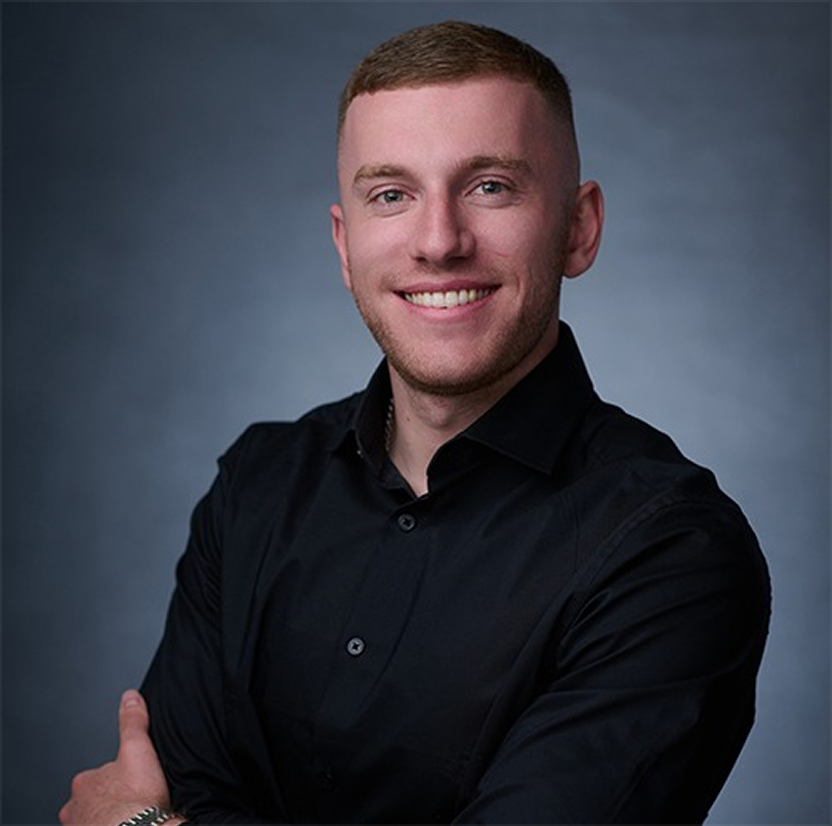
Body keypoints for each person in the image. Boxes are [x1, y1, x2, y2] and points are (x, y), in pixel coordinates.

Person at [60, 20, 770, 826]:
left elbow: (153, 810)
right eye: (392, 195)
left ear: (579, 228)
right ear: (344, 243)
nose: (438, 242)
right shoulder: (257, 482)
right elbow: (180, 777)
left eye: (490, 185)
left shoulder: (673, 552)